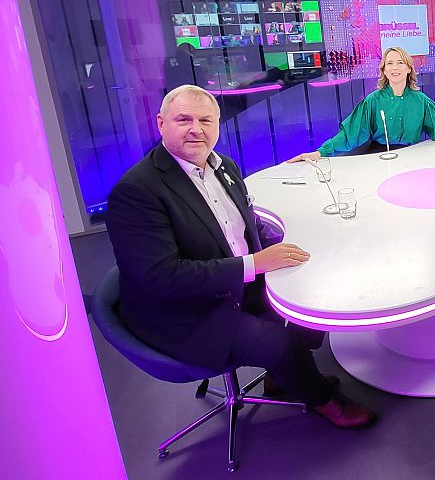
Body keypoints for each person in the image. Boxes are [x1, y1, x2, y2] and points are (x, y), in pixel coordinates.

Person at [106, 85, 376, 427]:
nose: (196, 129)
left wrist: (282, 253)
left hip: (234, 285)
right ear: (161, 124)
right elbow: (163, 278)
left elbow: (249, 229)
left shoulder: (225, 167)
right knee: (276, 339)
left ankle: (284, 377)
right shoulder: (137, 192)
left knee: (308, 300)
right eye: (183, 119)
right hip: (186, 313)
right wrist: (256, 265)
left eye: (206, 120)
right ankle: (322, 398)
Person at [287, 46, 435, 162]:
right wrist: (319, 153)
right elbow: (350, 134)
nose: (395, 68)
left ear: (409, 69)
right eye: (390, 63)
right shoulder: (373, 101)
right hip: (379, 159)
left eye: (400, 63)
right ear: (384, 70)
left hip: (412, 157)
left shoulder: (421, 101)